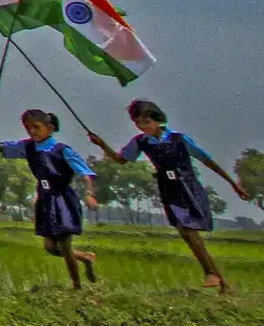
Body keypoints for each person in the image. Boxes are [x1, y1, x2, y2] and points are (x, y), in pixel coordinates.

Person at [89, 99, 249, 292]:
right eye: (138, 123)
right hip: (168, 187)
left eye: (146, 122)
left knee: (189, 231)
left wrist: (233, 184)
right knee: (187, 234)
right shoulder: (141, 142)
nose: (143, 127)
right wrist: (101, 144)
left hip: (187, 185)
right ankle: (222, 282)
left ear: (157, 119)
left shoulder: (178, 139)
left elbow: (206, 160)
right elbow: (121, 159)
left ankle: (211, 273)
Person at [0, 108, 99, 288]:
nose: (32, 131)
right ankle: (86, 257)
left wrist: (89, 195)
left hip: (62, 199)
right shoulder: (27, 147)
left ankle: (77, 285)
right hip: (45, 199)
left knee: (65, 244)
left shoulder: (63, 150)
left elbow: (87, 175)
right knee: (50, 248)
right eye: (28, 128)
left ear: (50, 127)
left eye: (36, 127)